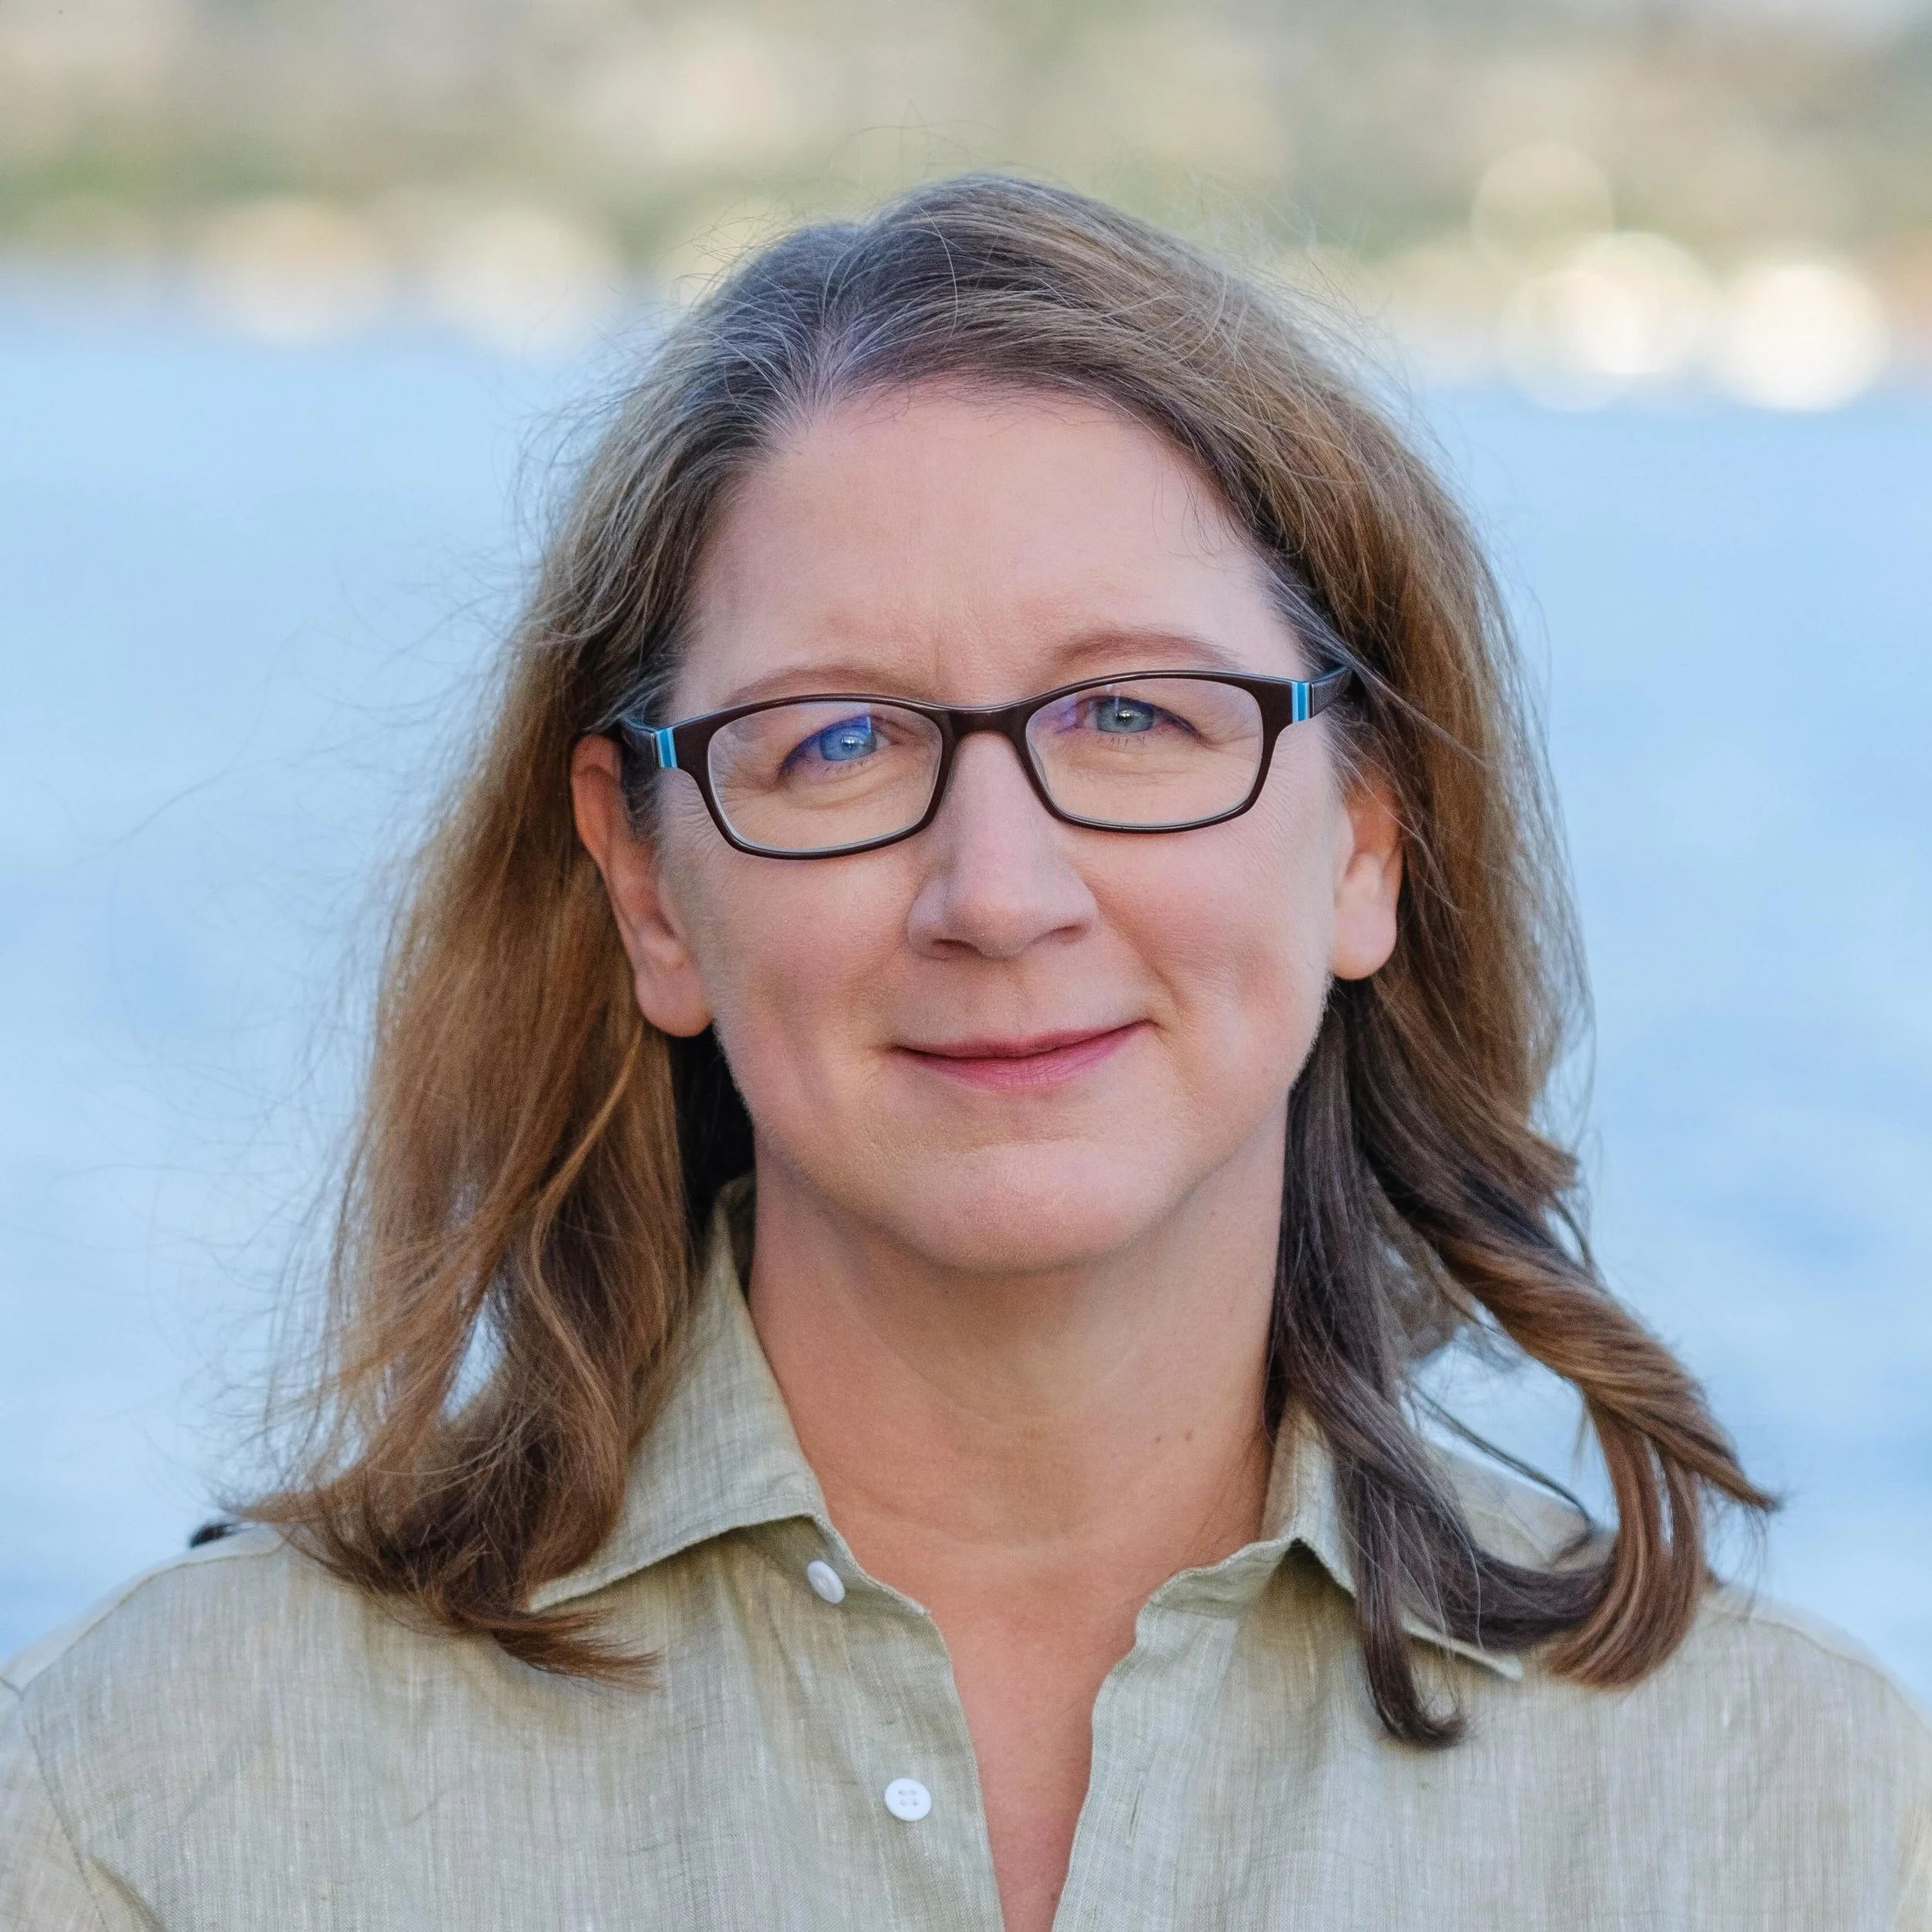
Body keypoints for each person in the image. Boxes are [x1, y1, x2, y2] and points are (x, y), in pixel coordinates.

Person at [2, 175, 1925, 1932]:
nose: (995, 891)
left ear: (1362, 838)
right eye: (833, 741)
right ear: (648, 885)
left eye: (1131, 714)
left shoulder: (1799, 1825)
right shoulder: (156, 1802)